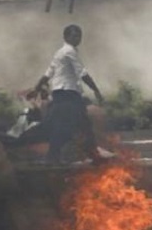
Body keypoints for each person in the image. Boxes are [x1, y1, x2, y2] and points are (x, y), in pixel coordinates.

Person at [35, 24, 106, 165]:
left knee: (74, 124)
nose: (77, 38)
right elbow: (82, 73)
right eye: (74, 35)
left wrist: (36, 87)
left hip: (62, 94)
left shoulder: (59, 52)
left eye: (79, 35)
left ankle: (87, 153)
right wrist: (96, 90)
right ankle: (90, 154)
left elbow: (48, 73)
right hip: (68, 94)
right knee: (76, 124)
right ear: (66, 37)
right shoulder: (69, 51)